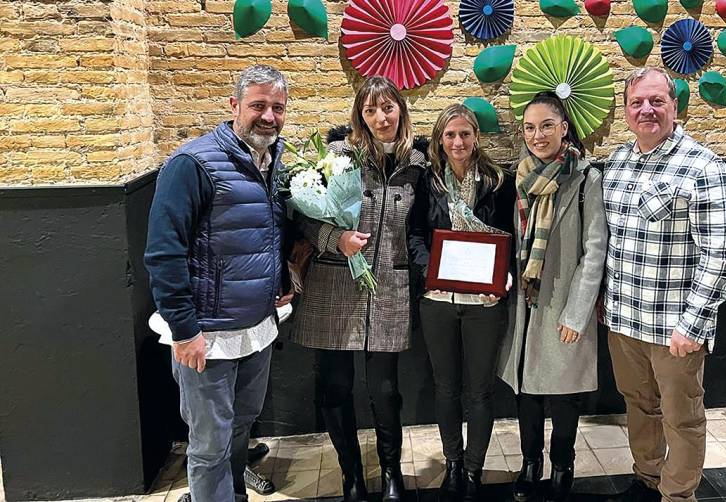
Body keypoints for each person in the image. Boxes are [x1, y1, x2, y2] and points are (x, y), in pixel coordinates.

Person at [144, 64, 294, 502]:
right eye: (258, 106)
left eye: (277, 108)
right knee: (209, 446)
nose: (268, 116)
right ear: (234, 106)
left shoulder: (276, 160)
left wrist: (282, 278)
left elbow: (262, 233)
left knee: (240, 430)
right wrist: (185, 329)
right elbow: (163, 252)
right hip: (207, 335)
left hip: (258, 329)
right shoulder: (193, 163)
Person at [602, 67, 726, 502]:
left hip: (674, 330)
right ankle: (646, 481)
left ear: (674, 107)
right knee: (639, 408)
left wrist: (693, 325)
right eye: (637, 102)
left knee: (682, 419)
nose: (647, 110)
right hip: (623, 321)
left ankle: (677, 495)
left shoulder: (705, 167)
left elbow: (721, 255)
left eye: (657, 101)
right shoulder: (619, 162)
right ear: (625, 110)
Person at [292, 76, 426, 502]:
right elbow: (304, 218)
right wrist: (338, 240)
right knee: (334, 385)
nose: (380, 117)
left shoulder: (418, 164)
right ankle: (351, 474)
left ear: (400, 110)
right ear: (360, 116)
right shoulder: (338, 156)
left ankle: (391, 474)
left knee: (385, 390)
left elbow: (424, 227)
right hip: (335, 282)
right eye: (370, 110)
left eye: (387, 108)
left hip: (389, 285)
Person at [497, 91, 609, 502]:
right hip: (527, 302)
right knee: (527, 390)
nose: (537, 135)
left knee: (564, 394)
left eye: (546, 125)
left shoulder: (586, 178)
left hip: (564, 301)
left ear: (564, 128)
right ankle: (531, 463)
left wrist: (577, 313)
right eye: (529, 127)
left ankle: (563, 464)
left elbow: (594, 250)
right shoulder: (521, 175)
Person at [407, 104, 516, 501]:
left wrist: (500, 278)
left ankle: (473, 469)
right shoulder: (427, 182)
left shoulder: (497, 181)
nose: (458, 142)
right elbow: (416, 233)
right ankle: (452, 463)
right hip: (437, 299)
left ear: (476, 137)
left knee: (480, 391)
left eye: (465, 134)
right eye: (450, 135)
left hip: (484, 302)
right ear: (440, 139)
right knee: (445, 387)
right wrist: (428, 270)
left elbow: (508, 237)